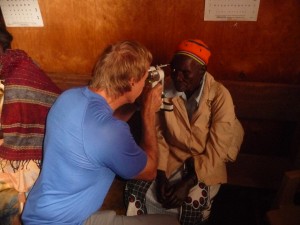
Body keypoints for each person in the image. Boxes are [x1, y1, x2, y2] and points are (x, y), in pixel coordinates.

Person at [21, 40, 180, 225]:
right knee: (171, 222)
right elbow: (150, 171)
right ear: (132, 82)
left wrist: (136, 105)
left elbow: (100, 134)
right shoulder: (111, 133)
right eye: (144, 79)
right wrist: (148, 113)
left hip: (40, 211)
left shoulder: (69, 97)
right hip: (64, 222)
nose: (145, 84)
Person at [124, 39, 244, 225]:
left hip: (204, 160)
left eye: (185, 72)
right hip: (171, 155)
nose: (177, 77)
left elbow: (217, 150)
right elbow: (159, 134)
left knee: (192, 201)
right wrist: (161, 173)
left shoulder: (220, 96)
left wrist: (187, 183)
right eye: (174, 69)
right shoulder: (164, 88)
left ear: (202, 72)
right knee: (137, 188)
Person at [0, 27, 61, 224]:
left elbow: (58, 107)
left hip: (24, 160)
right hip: (9, 158)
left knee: (11, 199)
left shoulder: (21, 71)